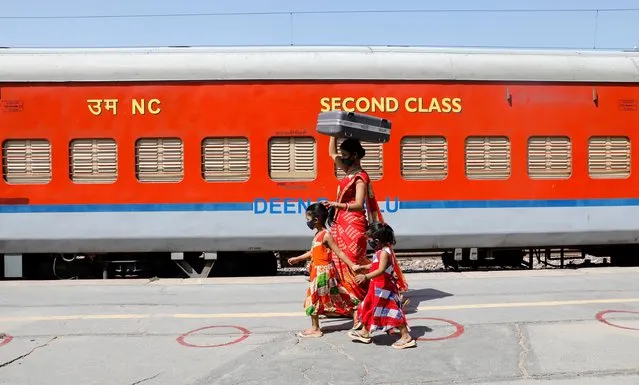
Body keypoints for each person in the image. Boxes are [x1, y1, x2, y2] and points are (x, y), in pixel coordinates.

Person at [323, 137, 409, 328]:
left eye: (344, 155)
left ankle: (372, 302)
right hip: (340, 224)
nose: (341, 158)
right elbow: (331, 154)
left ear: (354, 156)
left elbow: (357, 205)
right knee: (340, 265)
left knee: (353, 265)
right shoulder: (348, 170)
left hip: (354, 226)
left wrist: (335, 204)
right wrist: (333, 133)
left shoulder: (360, 176)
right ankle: (352, 305)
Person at [287, 203, 361, 338]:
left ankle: (315, 329)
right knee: (337, 293)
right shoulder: (318, 234)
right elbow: (312, 252)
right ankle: (357, 311)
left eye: (308, 219)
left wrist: (352, 265)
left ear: (316, 220)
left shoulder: (326, 235)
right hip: (319, 271)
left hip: (323, 272)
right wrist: (297, 258)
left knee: (313, 298)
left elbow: (339, 252)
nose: (307, 222)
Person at [348, 221, 416, 349]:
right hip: (376, 287)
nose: (369, 241)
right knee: (367, 307)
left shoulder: (384, 252)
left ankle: (406, 337)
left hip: (385, 289)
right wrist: (363, 267)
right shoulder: (380, 251)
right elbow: (374, 264)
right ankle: (364, 332)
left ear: (377, 240)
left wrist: (366, 276)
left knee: (393, 311)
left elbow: (381, 270)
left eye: (370, 239)